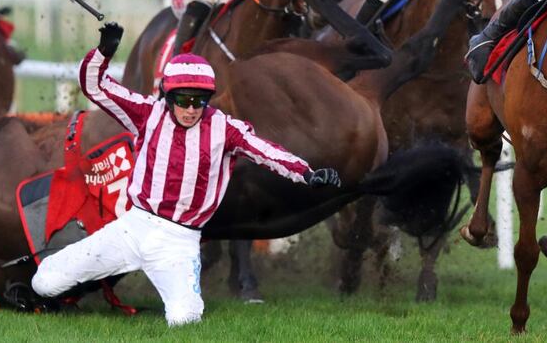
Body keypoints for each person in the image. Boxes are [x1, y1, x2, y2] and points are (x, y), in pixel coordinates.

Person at [31, 22, 341, 326]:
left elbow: (267, 151)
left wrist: (307, 173)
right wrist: (103, 52)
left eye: (200, 100)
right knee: (43, 283)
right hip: (132, 227)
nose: (192, 109)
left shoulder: (225, 128)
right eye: (183, 99)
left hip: (179, 242)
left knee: (185, 320)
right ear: (167, 95)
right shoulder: (147, 112)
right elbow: (95, 86)